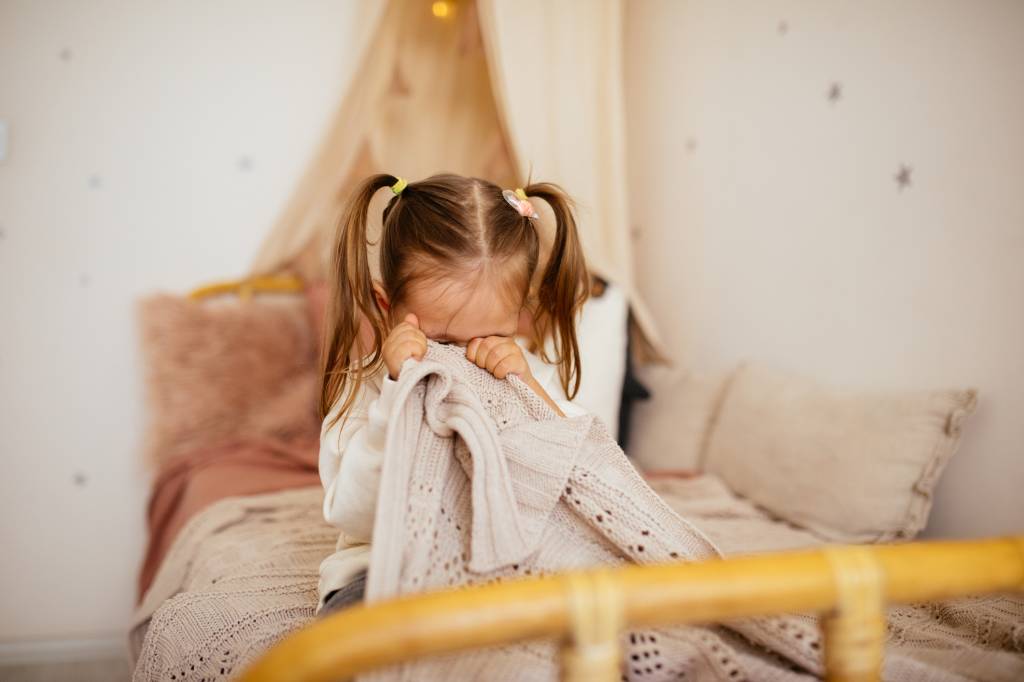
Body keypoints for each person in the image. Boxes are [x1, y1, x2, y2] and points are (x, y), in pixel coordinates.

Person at [316, 173, 590, 614]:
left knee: (591, 613)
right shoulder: (366, 387)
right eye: (443, 341)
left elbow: (582, 470)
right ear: (387, 308)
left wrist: (532, 390)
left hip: (510, 562)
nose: (468, 356)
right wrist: (393, 398)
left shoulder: (522, 371)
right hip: (386, 569)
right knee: (357, 635)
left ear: (519, 314)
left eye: (494, 334)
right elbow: (354, 514)